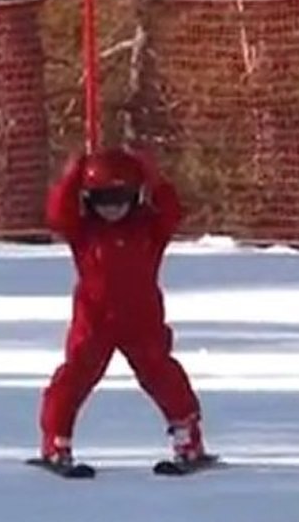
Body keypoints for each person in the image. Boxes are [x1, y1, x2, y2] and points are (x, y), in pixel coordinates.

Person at [37, 146, 212, 473]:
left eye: (120, 199)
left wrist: (155, 178)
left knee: (163, 376)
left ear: (136, 197)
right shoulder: (85, 232)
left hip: (142, 317)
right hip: (94, 318)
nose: (112, 209)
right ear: (89, 200)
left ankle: (189, 439)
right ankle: (56, 442)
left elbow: (171, 212)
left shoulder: (148, 229)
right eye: (102, 200)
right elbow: (59, 215)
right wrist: (71, 178)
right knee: (74, 378)